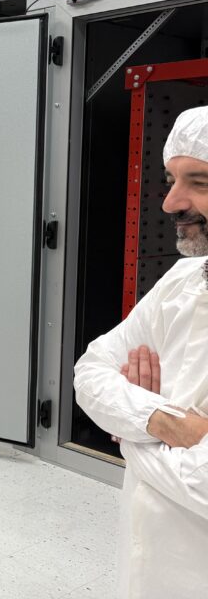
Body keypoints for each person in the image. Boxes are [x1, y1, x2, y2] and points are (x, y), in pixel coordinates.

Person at [73, 105, 208, 598]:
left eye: (199, 182)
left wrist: (130, 431)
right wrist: (159, 421)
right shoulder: (185, 280)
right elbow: (91, 371)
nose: (171, 203)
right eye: (172, 180)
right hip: (148, 564)